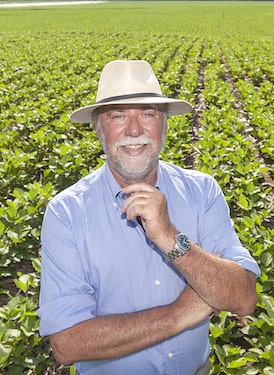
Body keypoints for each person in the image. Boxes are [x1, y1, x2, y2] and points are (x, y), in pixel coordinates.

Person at [38, 60, 260, 375]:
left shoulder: (202, 191)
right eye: (117, 116)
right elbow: (67, 343)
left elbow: (242, 297)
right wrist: (178, 314)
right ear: (98, 129)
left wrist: (170, 237)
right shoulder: (66, 214)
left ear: (164, 124)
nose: (133, 130)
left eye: (147, 113)